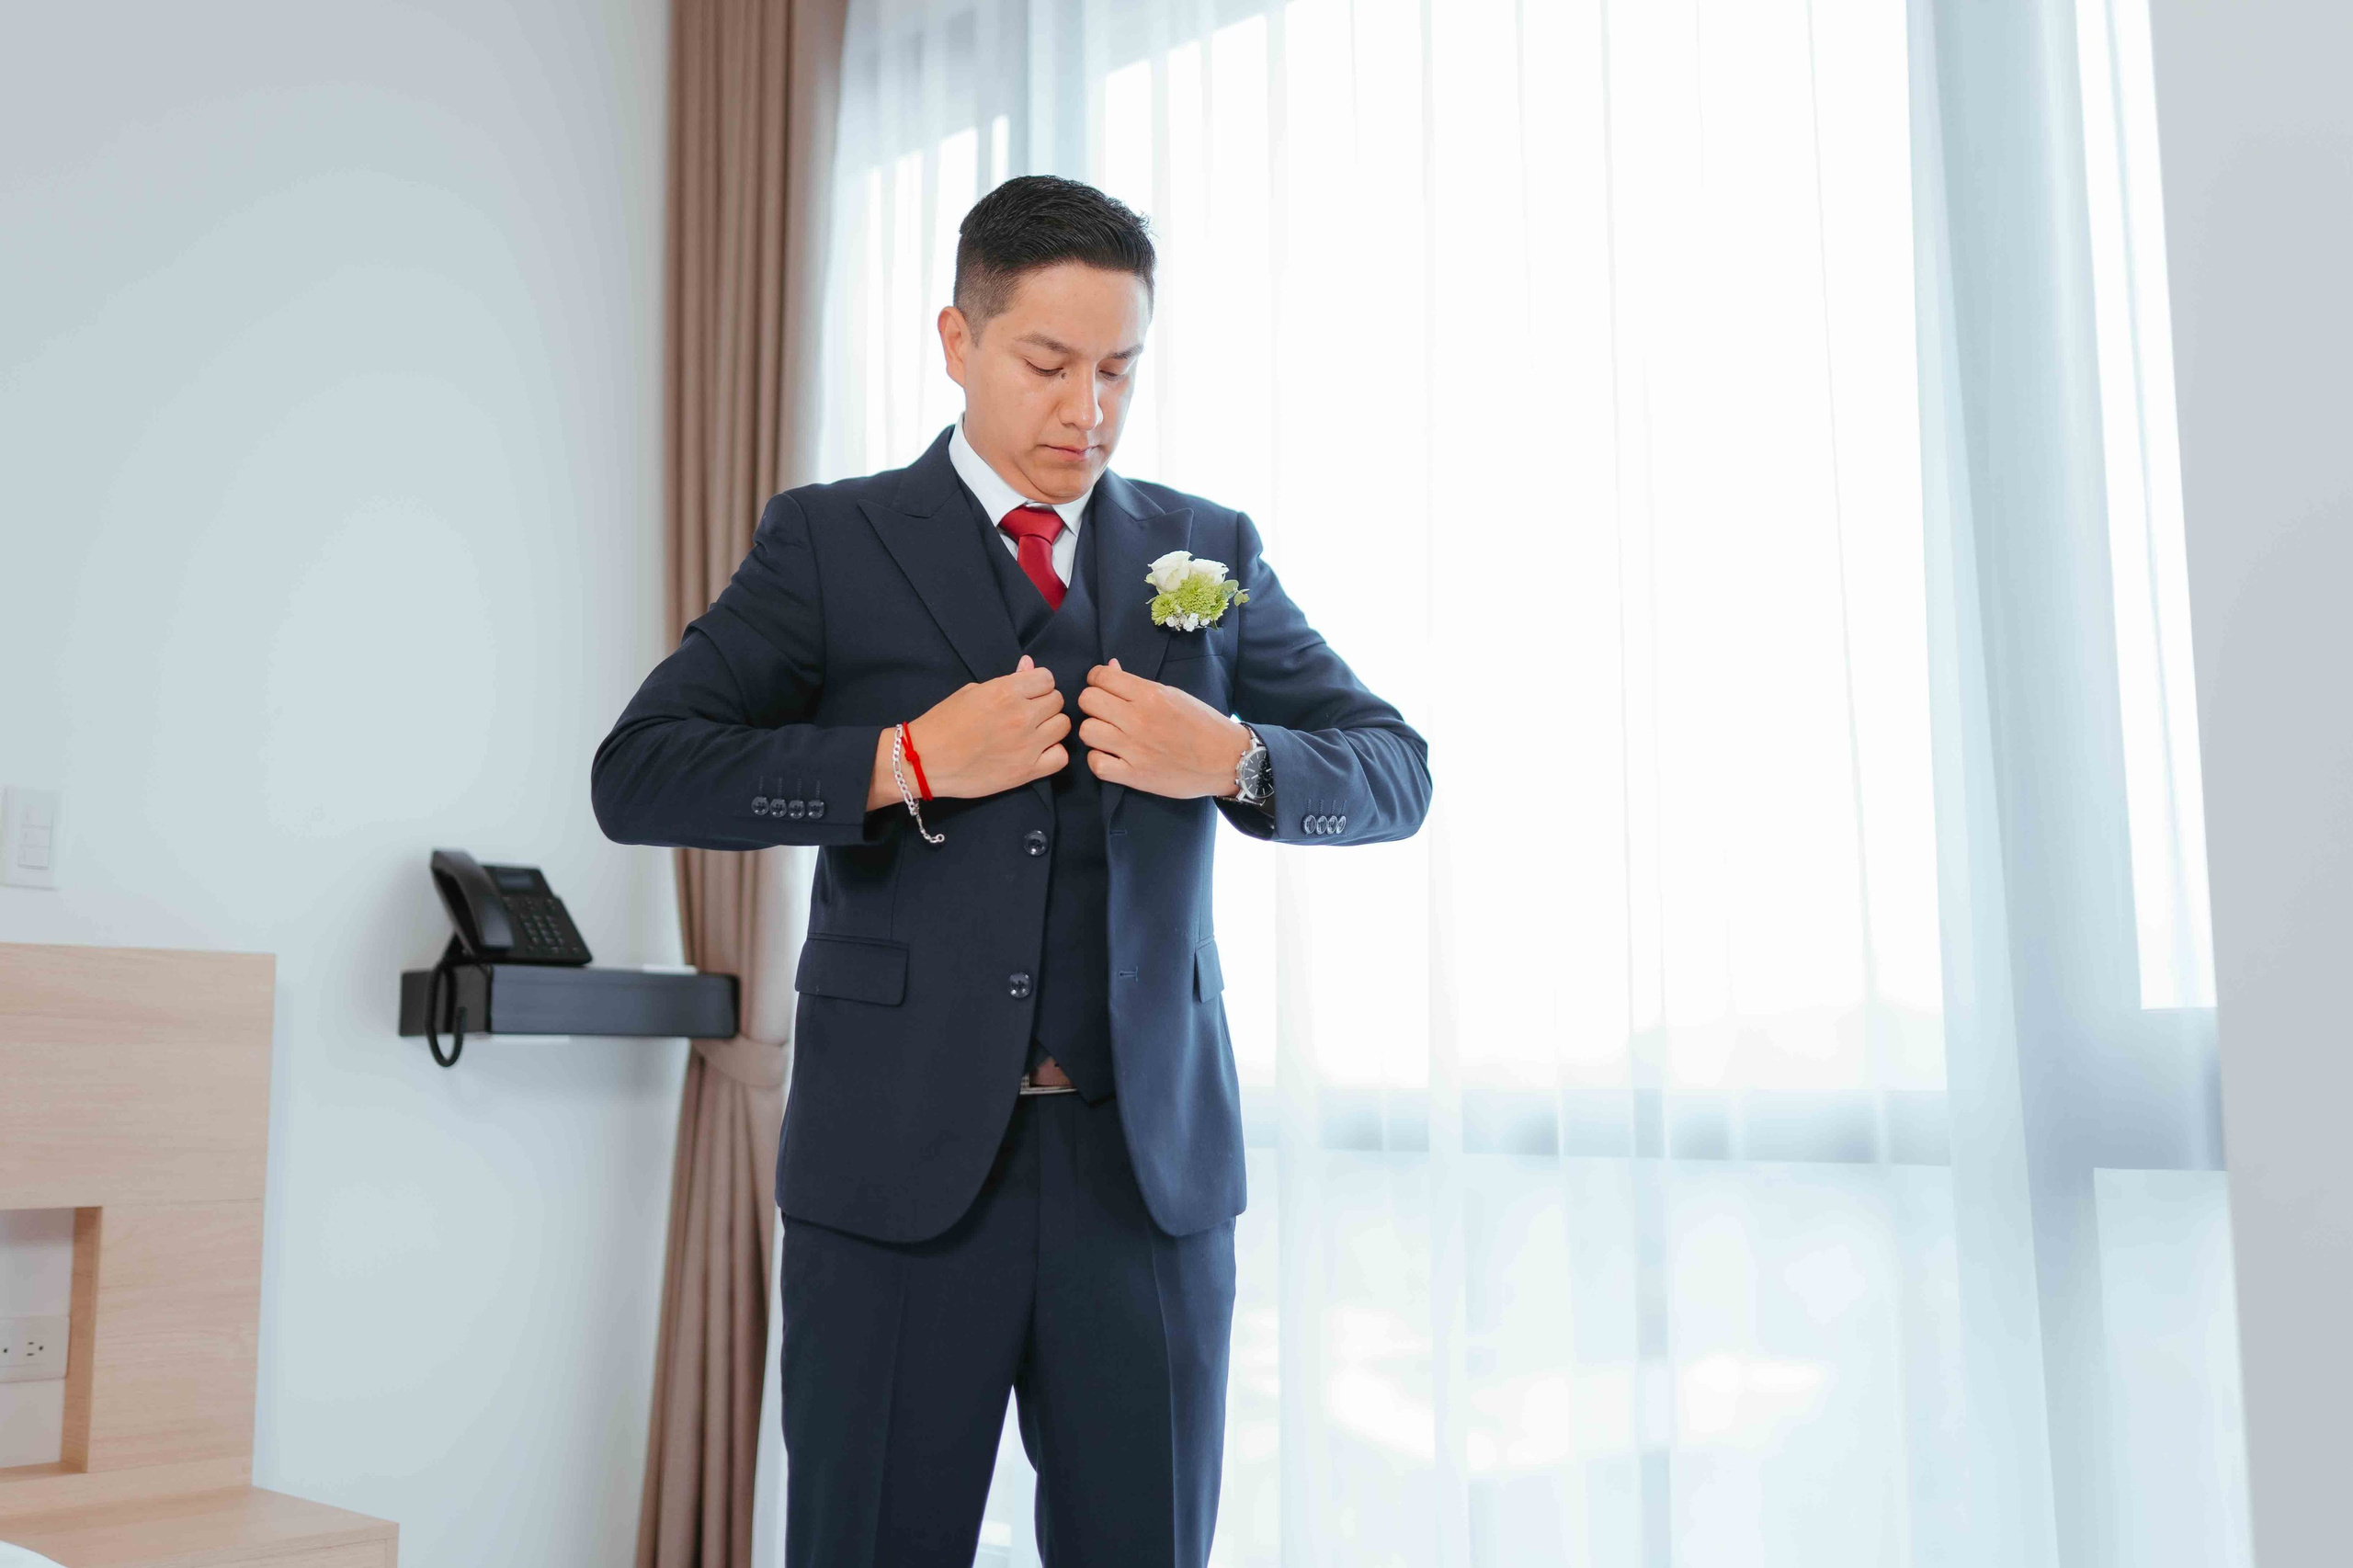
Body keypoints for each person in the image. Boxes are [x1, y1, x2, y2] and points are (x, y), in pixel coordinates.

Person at [592, 173, 1431, 1567]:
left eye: (1120, 370)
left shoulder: (1204, 550)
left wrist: (1233, 757)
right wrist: (903, 758)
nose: (1086, 410)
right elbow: (644, 772)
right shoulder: (831, 540)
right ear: (956, 340)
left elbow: (1394, 769)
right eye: (1049, 363)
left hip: (1143, 1186)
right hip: (894, 1180)